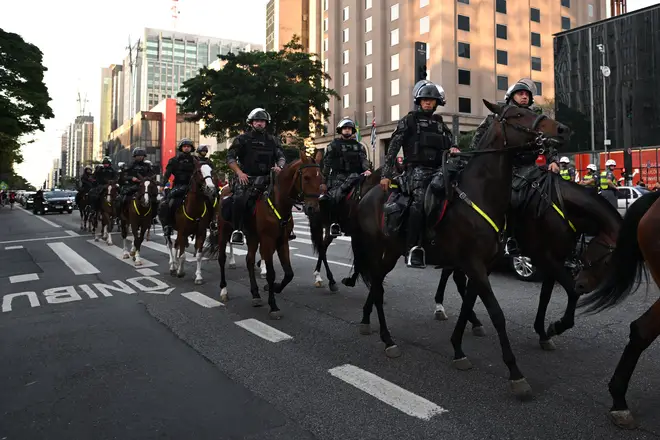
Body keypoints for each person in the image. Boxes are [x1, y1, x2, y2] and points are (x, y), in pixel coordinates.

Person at [379, 82, 458, 268]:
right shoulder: (409, 120)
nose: (428, 103)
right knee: (420, 201)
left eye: (431, 100)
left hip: (440, 170)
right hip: (416, 170)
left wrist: (454, 148)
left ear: (436, 103)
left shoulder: (439, 123)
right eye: (424, 100)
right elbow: (393, 147)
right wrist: (386, 173)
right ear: (419, 102)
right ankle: (412, 247)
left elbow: (451, 143)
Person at [227, 108, 286, 245]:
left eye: (262, 121)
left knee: (284, 198)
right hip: (247, 179)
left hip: (268, 178)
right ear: (251, 123)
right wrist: (239, 173)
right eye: (257, 121)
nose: (260, 123)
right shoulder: (242, 139)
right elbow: (230, 158)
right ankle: (238, 230)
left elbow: (281, 156)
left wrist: (280, 167)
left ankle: (285, 228)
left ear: (266, 123)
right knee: (239, 199)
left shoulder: (273, 140)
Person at [319, 117, 371, 236]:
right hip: (339, 178)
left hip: (356, 176)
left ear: (352, 131)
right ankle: (334, 223)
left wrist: (367, 170)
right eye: (345, 128)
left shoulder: (359, 146)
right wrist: (323, 180)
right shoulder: (333, 145)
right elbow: (327, 164)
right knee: (335, 196)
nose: (347, 130)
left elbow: (364, 160)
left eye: (349, 128)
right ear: (340, 130)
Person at [159, 138, 197, 235]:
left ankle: (211, 223)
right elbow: (167, 174)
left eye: (188, 146)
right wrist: (162, 184)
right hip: (178, 185)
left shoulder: (196, 160)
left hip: (193, 186)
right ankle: (169, 225)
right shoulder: (174, 160)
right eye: (184, 146)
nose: (186, 148)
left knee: (209, 199)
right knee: (170, 203)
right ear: (181, 148)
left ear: (191, 148)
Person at [117, 148, 156, 217]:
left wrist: (147, 179)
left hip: (144, 186)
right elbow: (123, 176)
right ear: (134, 156)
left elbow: (152, 175)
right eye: (138, 156)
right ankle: (120, 215)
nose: (140, 157)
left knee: (155, 199)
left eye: (141, 156)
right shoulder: (130, 165)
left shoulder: (147, 166)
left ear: (144, 156)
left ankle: (153, 216)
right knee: (122, 198)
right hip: (131, 186)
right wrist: (131, 178)